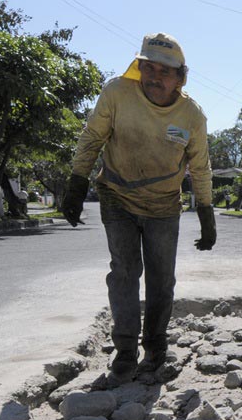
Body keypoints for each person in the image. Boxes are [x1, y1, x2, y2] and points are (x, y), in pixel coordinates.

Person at [62, 32, 216, 383]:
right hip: (117, 195)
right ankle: (126, 351)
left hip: (164, 203)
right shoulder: (117, 92)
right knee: (125, 273)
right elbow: (92, 137)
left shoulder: (192, 116)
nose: (154, 77)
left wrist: (206, 215)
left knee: (162, 280)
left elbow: (201, 167)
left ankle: (156, 348)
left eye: (165, 72)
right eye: (148, 68)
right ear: (139, 68)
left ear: (181, 78)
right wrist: (76, 182)